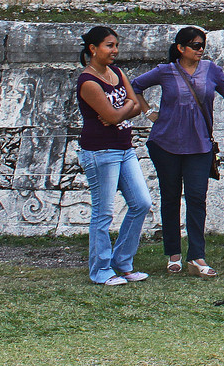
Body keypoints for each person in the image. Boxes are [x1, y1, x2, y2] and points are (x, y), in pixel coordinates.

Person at [131, 26, 224, 277]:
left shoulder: (211, 70)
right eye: (196, 45)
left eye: (202, 45)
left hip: (199, 145)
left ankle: (197, 256)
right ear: (181, 48)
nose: (200, 50)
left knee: (197, 197)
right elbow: (135, 86)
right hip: (166, 143)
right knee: (170, 197)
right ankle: (173, 254)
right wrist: (148, 112)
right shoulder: (166, 71)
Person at [76, 26, 153, 286]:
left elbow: (134, 105)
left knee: (141, 203)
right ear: (93, 49)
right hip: (100, 152)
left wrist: (121, 109)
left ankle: (123, 262)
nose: (115, 50)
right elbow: (113, 115)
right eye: (109, 45)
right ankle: (100, 271)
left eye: (116, 45)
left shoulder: (117, 72)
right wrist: (122, 109)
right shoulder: (88, 82)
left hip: (124, 148)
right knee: (103, 213)